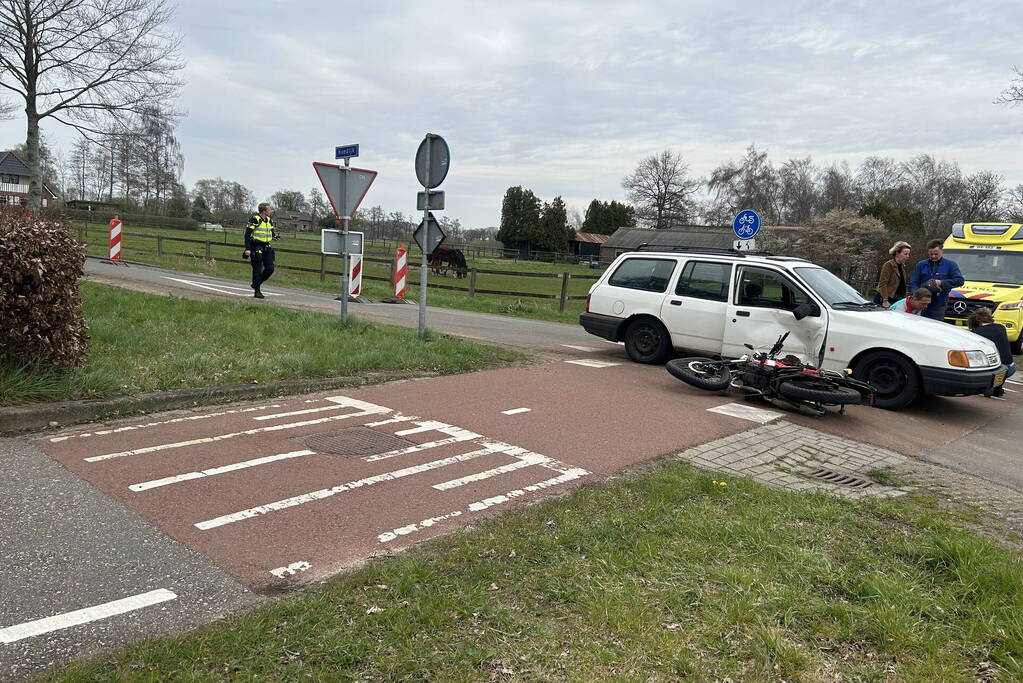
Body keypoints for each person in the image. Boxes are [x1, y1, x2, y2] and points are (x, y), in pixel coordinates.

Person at [909, 239, 964, 322]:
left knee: (936, 327)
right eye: (931, 254)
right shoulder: (921, 265)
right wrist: (916, 294)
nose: (933, 256)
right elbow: (913, 281)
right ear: (928, 252)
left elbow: (960, 280)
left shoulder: (950, 265)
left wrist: (942, 283)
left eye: (936, 254)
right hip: (921, 303)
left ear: (942, 251)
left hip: (939, 303)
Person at [969, 307, 1017, 396]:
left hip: (989, 371)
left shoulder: (975, 332)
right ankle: (996, 386)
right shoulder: (1001, 327)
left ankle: (986, 385)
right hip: (1009, 368)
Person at [243, 202, 278, 298]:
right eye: (269, 209)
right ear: (263, 211)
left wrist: (274, 236)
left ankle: (256, 284)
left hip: (267, 247)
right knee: (257, 269)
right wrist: (248, 249)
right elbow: (247, 235)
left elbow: (271, 231)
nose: (271, 211)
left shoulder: (269, 220)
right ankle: (257, 291)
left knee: (270, 268)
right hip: (256, 247)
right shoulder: (255, 220)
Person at [874, 241, 911, 307]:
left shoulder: (902, 267)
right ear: (897, 253)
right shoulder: (889, 265)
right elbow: (883, 283)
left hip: (896, 300)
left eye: (908, 254)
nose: (908, 256)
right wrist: (885, 300)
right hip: (886, 299)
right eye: (905, 254)